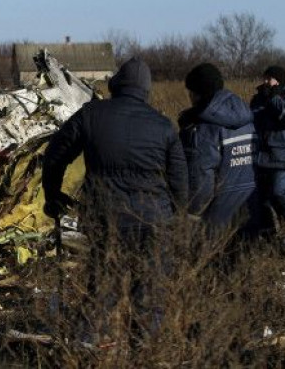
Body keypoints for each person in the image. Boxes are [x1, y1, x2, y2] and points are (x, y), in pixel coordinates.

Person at [42, 57, 188, 338]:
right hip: (154, 221)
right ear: (146, 90)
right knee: (149, 291)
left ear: (116, 84)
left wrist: (53, 195)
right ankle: (144, 347)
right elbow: (180, 182)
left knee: (104, 287)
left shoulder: (91, 115)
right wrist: (175, 216)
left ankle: (88, 345)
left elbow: (55, 155)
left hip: (106, 218)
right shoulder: (163, 125)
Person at [178, 63, 259, 235]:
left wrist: (191, 213)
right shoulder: (247, 118)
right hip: (251, 208)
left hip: (217, 220)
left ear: (197, 93)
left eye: (190, 92)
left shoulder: (203, 129)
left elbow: (201, 180)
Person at [250, 65, 285, 223]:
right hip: (260, 156)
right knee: (262, 201)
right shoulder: (258, 98)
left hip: (282, 155)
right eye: (264, 78)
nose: (265, 81)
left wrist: (274, 98)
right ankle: (268, 235)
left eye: (269, 78)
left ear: (278, 80)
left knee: (278, 192)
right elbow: (250, 121)